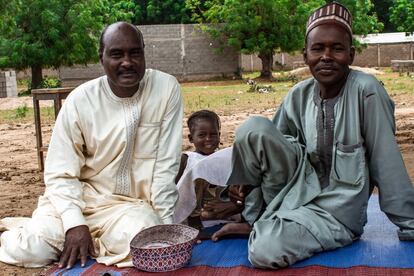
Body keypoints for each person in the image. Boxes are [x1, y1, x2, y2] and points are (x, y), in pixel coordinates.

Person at [211, 2, 414, 269]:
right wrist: (248, 199)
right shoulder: (299, 94)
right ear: (305, 54)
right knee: (253, 129)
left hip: (337, 212)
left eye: (337, 48)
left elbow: (386, 163)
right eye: (318, 48)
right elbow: (271, 154)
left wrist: (410, 224)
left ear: (351, 55)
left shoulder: (367, 92)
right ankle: (257, 217)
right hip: (293, 192)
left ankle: (267, 227)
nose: (326, 56)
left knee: (265, 250)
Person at [0, 22, 183, 269]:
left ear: (143, 53)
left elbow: (165, 166)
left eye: (135, 53)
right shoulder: (80, 100)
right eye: (117, 54)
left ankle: (93, 245)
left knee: (151, 245)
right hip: (80, 200)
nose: (127, 62)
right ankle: (31, 231)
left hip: (129, 210)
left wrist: (165, 229)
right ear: (102, 58)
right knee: (30, 250)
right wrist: (74, 223)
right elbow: (60, 173)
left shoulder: (165, 88)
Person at [174, 110, 242, 231]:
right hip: (194, 208)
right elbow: (179, 187)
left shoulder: (223, 157)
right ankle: (194, 219)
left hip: (219, 204)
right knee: (196, 172)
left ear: (219, 135)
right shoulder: (187, 158)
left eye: (213, 134)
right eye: (201, 135)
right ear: (191, 138)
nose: (208, 139)